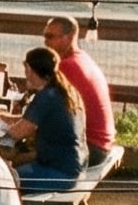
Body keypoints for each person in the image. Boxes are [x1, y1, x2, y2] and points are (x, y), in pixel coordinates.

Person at [3, 47, 83, 190]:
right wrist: (1, 117)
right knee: (11, 163)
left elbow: (18, 132)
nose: (25, 75)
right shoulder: (61, 90)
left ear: (32, 70)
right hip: (71, 165)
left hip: (59, 173)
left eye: (26, 69)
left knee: (1, 179)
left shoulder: (46, 96)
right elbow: (26, 121)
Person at [41, 17, 116, 168]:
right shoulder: (82, 58)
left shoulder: (66, 66)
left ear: (67, 38)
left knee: (19, 160)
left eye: (50, 36)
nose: (45, 42)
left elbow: (46, 112)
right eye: (44, 36)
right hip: (102, 143)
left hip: (90, 147)